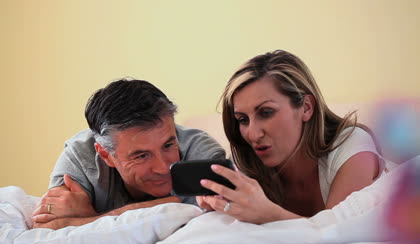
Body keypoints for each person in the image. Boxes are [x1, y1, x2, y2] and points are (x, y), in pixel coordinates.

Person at [197, 50, 391, 224]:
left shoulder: (352, 145)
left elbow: (338, 232)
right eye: (242, 119)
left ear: (306, 107)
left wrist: (269, 214)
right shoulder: (247, 162)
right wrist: (222, 206)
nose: (253, 134)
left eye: (266, 112)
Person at [32, 79, 225, 229]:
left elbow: (216, 217)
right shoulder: (81, 157)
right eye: (141, 156)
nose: (163, 167)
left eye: (168, 145)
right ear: (106, 155)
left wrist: (91, 218)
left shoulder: (203, 153)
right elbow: (45, 227)